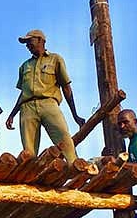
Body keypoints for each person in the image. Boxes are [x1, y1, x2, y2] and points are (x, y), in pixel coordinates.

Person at [5, 29, 86, 163]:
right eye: (26, 43)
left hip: (49, 104)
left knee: (64, 139)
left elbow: (66, 87)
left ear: (41, 41)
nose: (27, 46)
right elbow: (23, 93)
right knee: (28, 151)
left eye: (29, 41)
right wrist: (12, 114)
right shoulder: (24, 66)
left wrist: (75, 115)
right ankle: (29, 177)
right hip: (27, 108)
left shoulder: (55, 59)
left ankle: (75, 169)